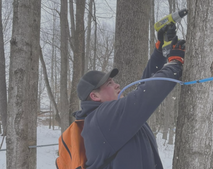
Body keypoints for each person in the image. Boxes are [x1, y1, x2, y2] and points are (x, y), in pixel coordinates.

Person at [74, 25, 186, 169]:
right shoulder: (101, 119)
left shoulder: (112, 119)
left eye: (114, 81)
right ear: (94, 96)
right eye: (109, 83)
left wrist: (160, 54)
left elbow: (144, 88)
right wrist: (174, 64)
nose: (117, 85)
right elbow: (143, 97)